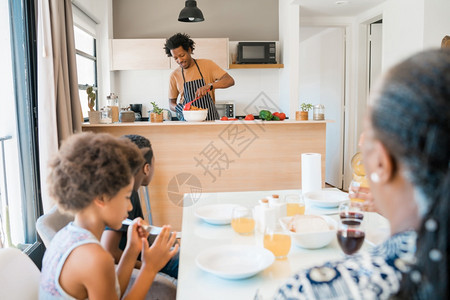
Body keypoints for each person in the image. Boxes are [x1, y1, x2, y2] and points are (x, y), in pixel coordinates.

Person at [274, 49, 449, 299]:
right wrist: (389, 208)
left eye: (366, 132)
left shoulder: (312, 291)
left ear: (381, 162)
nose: (360, 142)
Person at [40, 132, 179, 299]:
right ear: (101, 198)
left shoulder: (66, 236)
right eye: (127, 196)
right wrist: (149, 268)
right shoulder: (95, 258)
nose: (129, 207)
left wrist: (131, 249)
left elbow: (113, 291)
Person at [101, 134, 179, 279]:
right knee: (186, 263)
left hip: (140, 254)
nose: (129, 207)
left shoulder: (128, 190)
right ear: (147, 168)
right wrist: (148, 265)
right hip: (137, 262)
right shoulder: (122, 195)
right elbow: (109, 250)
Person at [164, 32, 235, 121]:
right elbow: (171, 104)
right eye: (175, 58)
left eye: (182, 55)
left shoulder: (207, 64)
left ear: (189, 50)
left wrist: (210, 86)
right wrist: (182, 108)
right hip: (187, 121)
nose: (180, 60)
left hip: (210, 119)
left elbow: (229, 80)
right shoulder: (174, 75)